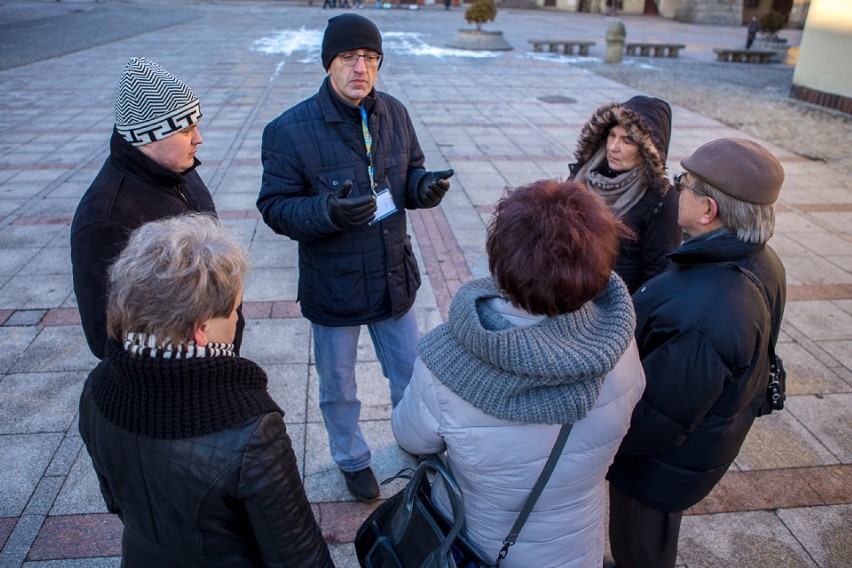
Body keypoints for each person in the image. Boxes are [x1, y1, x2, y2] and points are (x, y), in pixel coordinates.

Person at [392, 179, 646, 567]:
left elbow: (411, 436)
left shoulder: (447, 361)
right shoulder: (619, 341)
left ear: (501, 257)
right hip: (576, 544)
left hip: (478, 544)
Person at [256, 13, 453, 502]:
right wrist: (328, 212)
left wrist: (422, 188)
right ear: (329, 64)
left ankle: (416, 441)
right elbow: (275, 207)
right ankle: (351, 458)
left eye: (370, 58)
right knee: (339, 387)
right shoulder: (288, 130)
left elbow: (410, 172)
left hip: (392, 278)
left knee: (410, 375)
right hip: (334, 284)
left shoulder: (395, 113)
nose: (360, 68)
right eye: (349, 57)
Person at [78, 214, 334, 568]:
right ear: (201, 329)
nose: (237, 320)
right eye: (233, 310)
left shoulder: (98, 388)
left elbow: (116, 501)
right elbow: (298, 556)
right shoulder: (251, 428)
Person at [606, 138, 787, 568]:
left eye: (683, 183)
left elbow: (653, 420)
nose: (675, 190)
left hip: (655, 472)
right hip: (696, 448)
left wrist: (599, 446)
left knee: (640, 546)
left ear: (708, 211)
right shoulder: (760, 258)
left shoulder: (704, 314)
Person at [71, 57, 243, 360]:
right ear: (149, 136)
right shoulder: (104, 218)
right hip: (169, 383)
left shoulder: (177, 170)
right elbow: (105, 333)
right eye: (187, 130)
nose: (199, 139)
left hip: (209, 360)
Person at [569, 96, 681, 294]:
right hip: (565, 291)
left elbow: (657, 277)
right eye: (612, 135)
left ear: (648, 150)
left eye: (627, 140)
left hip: (616, 306)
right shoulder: (583, 174)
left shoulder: (661, 201)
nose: (613, 147)